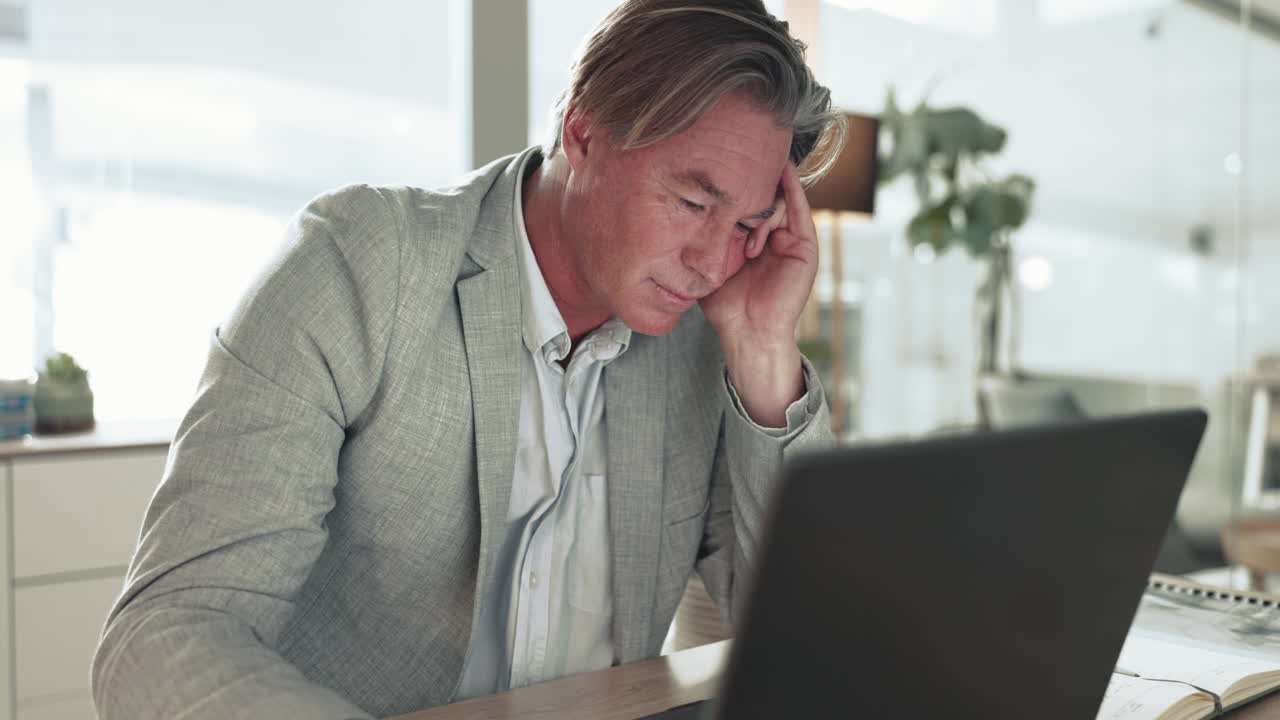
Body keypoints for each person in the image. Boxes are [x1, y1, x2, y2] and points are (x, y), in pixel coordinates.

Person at [91, 1, 847, 717]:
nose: (714, 262)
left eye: (748, 223)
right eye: (691, 202)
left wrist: (761, 348)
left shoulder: (702, 335)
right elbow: (165, 635)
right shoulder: (360, 264)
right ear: (583, 131)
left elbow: (821, 638)